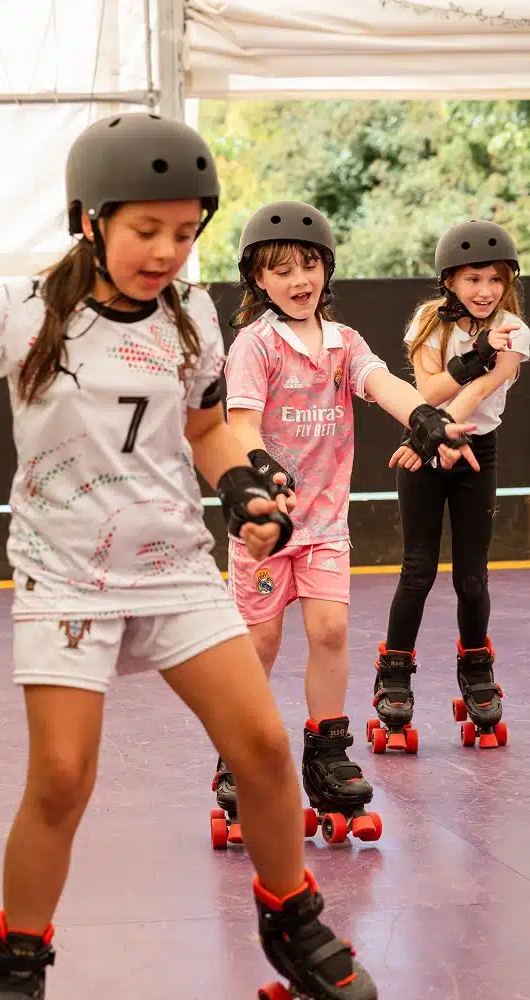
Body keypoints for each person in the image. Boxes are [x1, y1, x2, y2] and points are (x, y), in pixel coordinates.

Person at [0, 115, 381, 1000]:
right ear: (90, 219)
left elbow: (206, 429)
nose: (167, 252)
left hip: (176, 567)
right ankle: (18, 959)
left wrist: (245, 492)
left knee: (262, 746)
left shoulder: (191, 315)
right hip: (65, 574)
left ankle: (291, 916)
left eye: (185, 233)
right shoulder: (22, 311)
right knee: (62, 779)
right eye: (146, 230)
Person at [218, 201, 479, 844]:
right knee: (261, 645)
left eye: (309, 264)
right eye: (280, 270)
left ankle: (328, 754)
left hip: (325, 520)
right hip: (265, 522)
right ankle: (238, 756)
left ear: (326, 269)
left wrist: (429, 421)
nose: (298, 279)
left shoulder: (344, 342)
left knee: (331, 630)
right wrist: (258, 465)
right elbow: (242, 421)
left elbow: (384, 384)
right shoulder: (256, 345)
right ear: (258, 280)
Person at [370, 220, 527, 752]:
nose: (485, 291)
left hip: (474, 455)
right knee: (416, 570)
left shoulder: (514, 328)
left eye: (495, 280)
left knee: (472, 577)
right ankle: (394, 675)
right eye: (473, 279)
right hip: (423, 448)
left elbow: (488, 385)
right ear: (450, 283)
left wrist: (428, 435)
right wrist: (428, 433)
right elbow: (428, 387)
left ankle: (477, 671)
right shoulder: (428, 324)